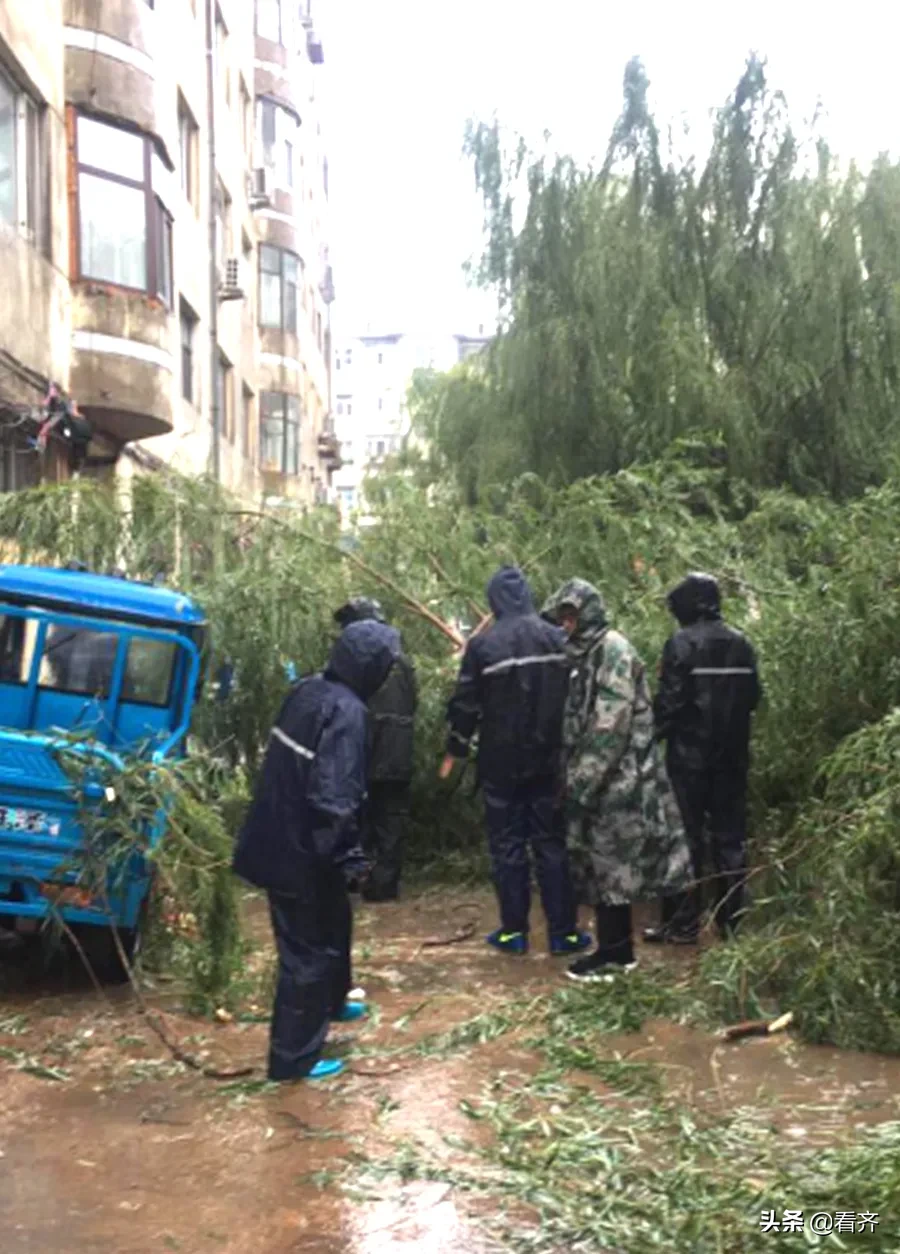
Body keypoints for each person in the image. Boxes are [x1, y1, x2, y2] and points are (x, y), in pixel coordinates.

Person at [232, 618, 400, 1082]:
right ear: (372, 669)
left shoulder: (309, 690)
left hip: (282, 838)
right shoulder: (348, 713)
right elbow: (334, 796)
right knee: (307, 953)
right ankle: (292, 1062)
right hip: (301, 851)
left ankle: (331, 1004)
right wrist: (350, 859)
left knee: (333, 927)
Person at [542, 579, 692, 983]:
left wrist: (579, 784)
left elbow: (610, 725)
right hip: (603, 782)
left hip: (621, 783)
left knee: (613, 869)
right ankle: (613, 949)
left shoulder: (612, 650)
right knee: (602, 867)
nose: (566, 624)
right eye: (562, 617)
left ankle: (616, 954)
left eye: (571, 616)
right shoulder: (583, 655)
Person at [440, 565, 590, 957]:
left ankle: (514, 933)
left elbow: (465, 705)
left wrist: (454, 749)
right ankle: (563, 934)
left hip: (500, 764)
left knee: (507, 846)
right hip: (550, 760)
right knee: (552, 844)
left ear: (494, 602)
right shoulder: (557, 639)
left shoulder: (483, 647)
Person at [646, 572, 761, 943]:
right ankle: (732, 924)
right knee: (730, 838)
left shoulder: (681, 644)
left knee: (684, 839)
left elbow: (670, 704)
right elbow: (753, 698)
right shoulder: (742, 644)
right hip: (733, 756)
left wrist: (647, 738)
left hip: (689, 759)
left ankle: (682, 925)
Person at [333, 597, 418, 902]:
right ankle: (384, 884)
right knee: (391, 817)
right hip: (398, 750)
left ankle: (359, 877)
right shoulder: (404, 661)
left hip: (366, 750)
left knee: (362, 814)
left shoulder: (358, 662)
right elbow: (413, 704)